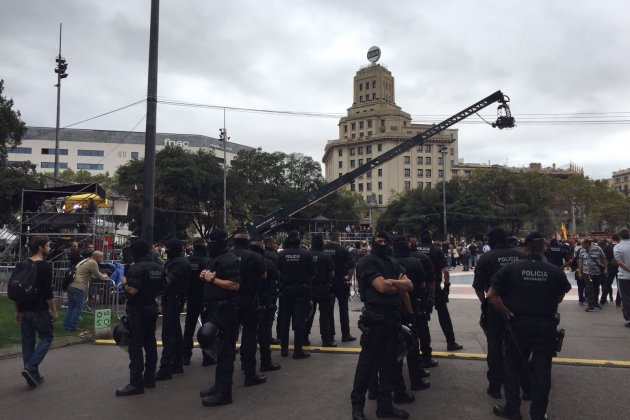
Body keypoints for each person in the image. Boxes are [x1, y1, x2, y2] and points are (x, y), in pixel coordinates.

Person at [487, 232, 571, 420]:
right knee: (542, 369)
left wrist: (504, 311)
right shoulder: (554, 271)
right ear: (543, 248)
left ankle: (513, 409)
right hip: (545, 324)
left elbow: (491, 294)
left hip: (518, 323)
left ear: (524, 247)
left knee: (513, 366)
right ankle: (538, 413)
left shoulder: (511, 269)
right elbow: (560, 295)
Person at [350, 230, 413, 420]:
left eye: (386, 241)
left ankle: (385, 407)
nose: (382, 243)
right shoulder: (367, 262)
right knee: (366, 365)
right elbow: (381, 287)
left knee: (389, 366)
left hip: (392, 319)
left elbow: (409, 286)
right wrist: (395, 283)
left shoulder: (392, 262)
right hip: (375, 320)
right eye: (379, 240)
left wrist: (391, 283)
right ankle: (357, 407)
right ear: (373, 242)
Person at [472, 227, 525, 399]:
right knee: (521, 345)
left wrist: (486, 303)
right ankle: (523, 383)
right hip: (520, 307)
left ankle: (495, 386)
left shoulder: (486, 258)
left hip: (495, 305)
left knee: (494, 346)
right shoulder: (521, 255)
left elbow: (478, 287)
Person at [115, 239, 163, 396]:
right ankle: (149, 378)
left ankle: (136, 383)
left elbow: (133, 291)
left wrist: (123, 283)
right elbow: (163, 287)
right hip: (151, 308)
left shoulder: (136, 268)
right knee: (150, 343)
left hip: (138, 310)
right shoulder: (157, 267)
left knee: (135, 345)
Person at [199, 229, 241, 407]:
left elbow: (234, 285)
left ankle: (224, 393)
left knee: (225, 351)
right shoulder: (214, 259)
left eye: (212, 241)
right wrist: (204, 277)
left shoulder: (229, 259)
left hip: (225, 310)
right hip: (214, 308)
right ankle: (218, 386)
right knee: (215, 347)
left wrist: (211, 280)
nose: (209, 244)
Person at [13, 236, 57, 388]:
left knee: (28, 342)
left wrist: (17, 310)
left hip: (24, 308)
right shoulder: (45, 266)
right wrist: (54, 310)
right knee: (47, 337)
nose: (50, 248)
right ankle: (31, 368)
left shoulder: (21, 265)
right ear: (40, 247)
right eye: (48, 245)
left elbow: (17, 289)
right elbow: (47, 292)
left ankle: (33, 375)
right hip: (39, 309)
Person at [231, 227, 267, 386]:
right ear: (247, 241)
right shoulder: (254, 256)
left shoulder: (226, 255)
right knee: (249, 336)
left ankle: (226, 373)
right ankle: (249, 372)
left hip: (230, 300)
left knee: (229, 337)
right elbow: (263, 275)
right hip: (249, 299)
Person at [417, 230, 463, 351]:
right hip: (436, 286)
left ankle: (423, 347)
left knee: (420, 317)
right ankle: (451, 342)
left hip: (419, 288)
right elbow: (446, 271)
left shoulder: (415, 251)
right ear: (431, 238)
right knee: (443, 314)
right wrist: (447, 286)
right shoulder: (437, 250)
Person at [156, 238, 191, 380]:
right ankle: (177, 364)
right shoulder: (175, 261)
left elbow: (167, 281)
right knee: (175, 333)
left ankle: (166, 368)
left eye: (168, 249)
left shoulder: (180, 263)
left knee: (168, 334)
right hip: (172, 299)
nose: (166, 251)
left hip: (174, 299)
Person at [277, 230, 315, 359]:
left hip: (285, 290)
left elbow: (277, 272)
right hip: (301, 290)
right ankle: (298, 350)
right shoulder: (306, 254)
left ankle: (284, 349)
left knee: (284, 319)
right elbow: (312, 273)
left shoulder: (281, 255)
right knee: (299, 320)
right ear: (299, 241)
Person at [250, 235, 281, 372]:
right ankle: (265, 362)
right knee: (264, 331)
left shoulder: (236, 259)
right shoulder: (266, 261)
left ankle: (248, 365)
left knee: (248, 333)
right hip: (263, 299)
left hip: (245, 300)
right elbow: (276, 275)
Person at [182, 239, 214, 366]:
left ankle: (186, 356)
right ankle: (208, 357)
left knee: (189, 327)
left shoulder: (187, 261)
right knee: (207, 328)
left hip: (191, 297)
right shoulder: (208, 261)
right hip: (205, 297)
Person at [63, 250, 109, 332]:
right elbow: (99, 275)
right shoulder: (93, 262)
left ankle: (66, 326)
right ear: (97, 257)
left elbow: (90, 274)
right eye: (101, 257)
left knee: (71, 307)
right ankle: (73, 327)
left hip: (71, 285)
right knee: (78, 307)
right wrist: (105, 276)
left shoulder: (85, 260)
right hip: (78, 286)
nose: (102, 259)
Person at [325, 231, 356, 343]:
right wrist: (348, 279)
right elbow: (352, 266)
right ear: (338, 238)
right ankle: (345, 334)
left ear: (329, 238)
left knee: (328, 310)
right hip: (341, 281)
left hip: (327, 282)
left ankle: (330, 335)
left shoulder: (324, 250)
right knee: (343, 309)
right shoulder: (343, 250)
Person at [305, 234, 336, 347]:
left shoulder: (307, 255)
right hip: (323, 287)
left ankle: (304, 338)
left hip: (310, 288)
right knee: (325, 315)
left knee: (308, 313)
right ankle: (326, 340)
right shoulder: (326, 256)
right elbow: (332, 273)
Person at [578, 238, 607, 312]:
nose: (581, 245)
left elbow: (604, 258)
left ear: (587, 243)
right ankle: (591, 306)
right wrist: (579, 272)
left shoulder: (597, 248)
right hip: (587, 273)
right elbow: (580, 262)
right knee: (589, 288)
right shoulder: (582, 250)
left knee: (596, 288)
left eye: (583, 244)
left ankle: (595, 303)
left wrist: (606, 269)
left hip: (597, 273)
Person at [614, 228, 630, 326]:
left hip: (624, 276)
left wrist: (628, 270)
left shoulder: (618, 247)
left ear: (620, 236)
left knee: (626, 298)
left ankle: (629, 318)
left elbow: (619, 262)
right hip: (624, 276)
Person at [602, 234, 620, 305]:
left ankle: (603, 300)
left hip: (610, 267)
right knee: (620, 285)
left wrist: (606, 268)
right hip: (620, 267)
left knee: (607, 284)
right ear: (619, 239)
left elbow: (605, 259)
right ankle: (618, 302)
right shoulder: (620, 247)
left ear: (612, 238)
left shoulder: (607, 247)